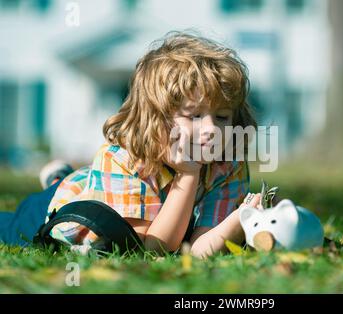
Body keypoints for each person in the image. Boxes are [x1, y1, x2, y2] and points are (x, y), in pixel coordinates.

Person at [0, 31, 262, 259]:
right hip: (58, 209)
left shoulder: (227, 165)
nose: (211, 129)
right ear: (156, 116)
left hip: (105, 187)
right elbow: (152, 248)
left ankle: (59, 174)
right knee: (10, 227)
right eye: (193, 115)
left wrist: (241, 218)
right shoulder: (121, 159)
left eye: (222, 116)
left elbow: (198, 250)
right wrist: (188, 174)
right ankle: (59, 180)